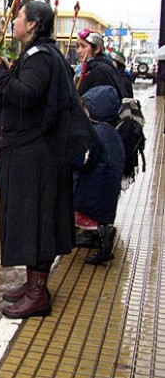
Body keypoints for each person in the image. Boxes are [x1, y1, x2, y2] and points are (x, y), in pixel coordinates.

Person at [0, 1, 94, 319]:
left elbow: (25, 96)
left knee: (35, 220)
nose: (13, 21)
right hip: (30, 152)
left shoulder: (42, 58)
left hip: (36, 156)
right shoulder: (37, 54)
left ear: (32, 25)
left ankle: (37, 294)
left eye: (18, 17)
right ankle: (35, 283)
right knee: (30, 219)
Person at [74, 86, 124, 265]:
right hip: (108, 182)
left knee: (98, 216)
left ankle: (104, 245)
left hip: (95, 184)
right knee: (102, 214)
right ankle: (98, 237)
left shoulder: (95, 133)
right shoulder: (111, 131)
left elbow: (86, 161)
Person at [75, 29, 131, 99]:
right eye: (77, 46)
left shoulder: (99, 72)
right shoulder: (87, 68)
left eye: (83, 46)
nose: (79, 51)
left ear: (97, 49)